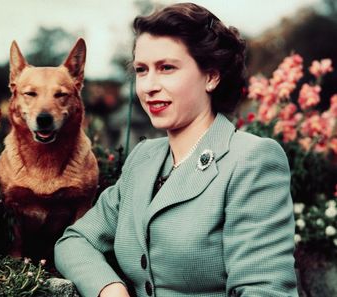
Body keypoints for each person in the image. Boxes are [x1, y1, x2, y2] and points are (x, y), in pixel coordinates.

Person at [55, 3, 298, 297]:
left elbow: (264, 291)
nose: (149, 87)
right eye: (142, 71)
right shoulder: (143, 159)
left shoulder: (252, 159)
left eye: (167, 68)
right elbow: (75, 240)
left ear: (211, 76)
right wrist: (109, 288)